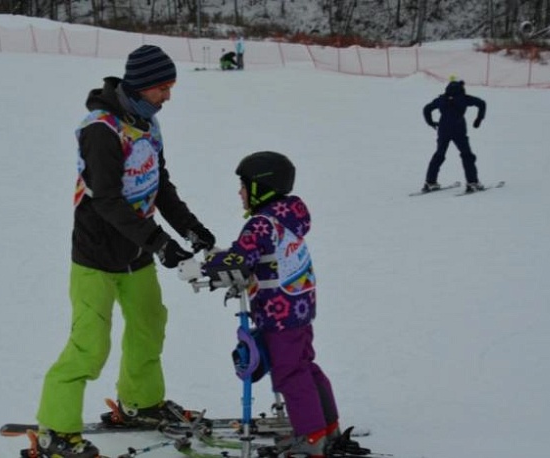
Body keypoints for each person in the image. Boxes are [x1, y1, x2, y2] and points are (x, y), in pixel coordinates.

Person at [32, 44, 216, 458]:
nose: (168, 96)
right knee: (89, 344)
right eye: (162, 88)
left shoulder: (147, 125)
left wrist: (192, 230)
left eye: (170, 87)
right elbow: (108, 201)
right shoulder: (102, 130)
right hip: (96, 255)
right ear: (140, 85)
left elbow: (160, 186)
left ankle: (141, 402)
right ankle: (54, 431)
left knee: (150, 325)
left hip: (136, 255)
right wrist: (161, 243)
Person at [200, 152, 366, 458]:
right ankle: (327, 427)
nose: (239, 192)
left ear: (261, 188)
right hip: (299, 305)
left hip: (279, 311)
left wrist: (208, 265)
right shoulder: (288, 215)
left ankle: (311, 437)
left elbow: (241, 258)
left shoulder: (261, 225)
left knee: (289, 373)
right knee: (305, 365)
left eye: (243, 185)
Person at [422, 79, 487, 193]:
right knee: (467, 155)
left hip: (443, 130)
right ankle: (472, 182)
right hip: (458, 130)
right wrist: (478, 119)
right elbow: (482, 103)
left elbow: (426, 109)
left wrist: (431, 122)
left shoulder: (441, 99)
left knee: (439, 155)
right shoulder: (464, 99)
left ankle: (430, 182)